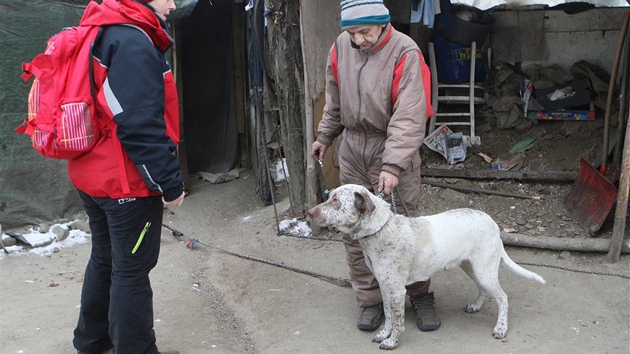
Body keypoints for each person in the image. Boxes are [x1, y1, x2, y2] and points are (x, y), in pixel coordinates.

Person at [310, 0, 440, 333]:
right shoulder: (341, 46)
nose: (358, 40)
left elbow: (410, 115)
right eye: (352, 33)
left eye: (364, 31)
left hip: (392, 146)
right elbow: (334, 96)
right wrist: (325, 135)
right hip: (353, 149)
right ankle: (370, 300)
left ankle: (420, 295)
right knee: (352, 230)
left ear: (382, 24)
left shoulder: (405, 52)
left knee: (407, 230)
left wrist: (394, 165)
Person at [69, 1, 183, 353]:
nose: (173, 4)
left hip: (91, 172)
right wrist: (168, 181)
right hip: (124, 183)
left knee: (105, 257)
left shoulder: (97, 29)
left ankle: (92, 340)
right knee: (132, 269)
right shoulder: (131, 41)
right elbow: (137, 123)